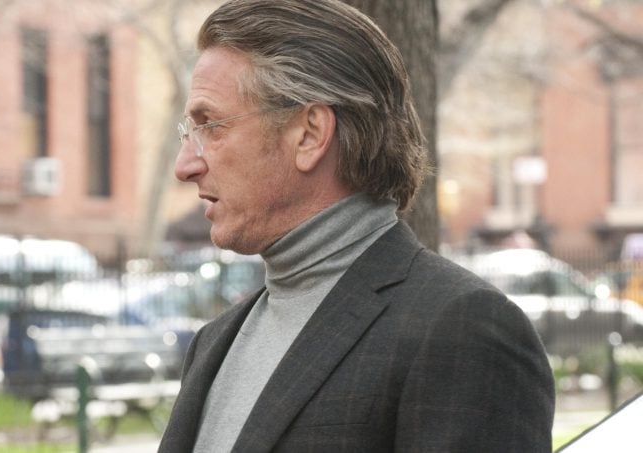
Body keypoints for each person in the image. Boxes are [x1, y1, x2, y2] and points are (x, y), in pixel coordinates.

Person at [159, 1, 555, 451]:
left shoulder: (461, 329)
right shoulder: (215, 342)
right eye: (189, 133)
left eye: (211, 126)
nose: (185, 166)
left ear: (309, 134)